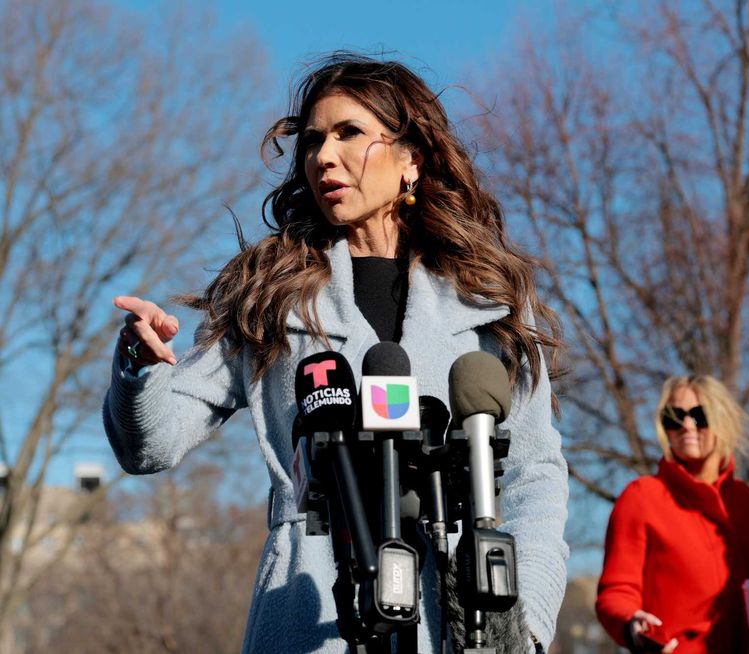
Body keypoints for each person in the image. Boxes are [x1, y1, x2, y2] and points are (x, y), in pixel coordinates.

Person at [102, 54, 569, 653]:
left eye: (349, 133)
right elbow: (152, 444)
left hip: (457, 624)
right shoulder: (269, 292)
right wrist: (139, 367)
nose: (324, 154)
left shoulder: (490, 300)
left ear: (412, 160)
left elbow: (535, 474)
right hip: (311, 614)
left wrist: (519, 625)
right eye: (314, 139)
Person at [595, 375, 749, 654]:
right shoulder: (641, 496)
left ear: (723, 420)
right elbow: (616, 592)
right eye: (674, 417)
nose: (686, 425)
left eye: (699, 415)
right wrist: (631, 624)